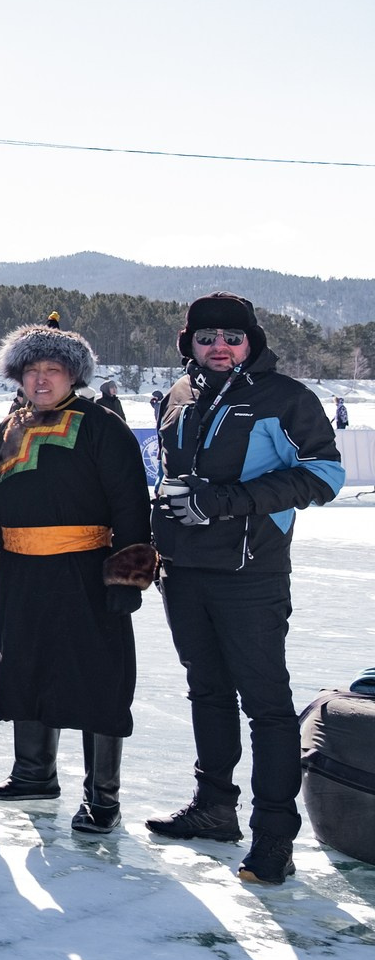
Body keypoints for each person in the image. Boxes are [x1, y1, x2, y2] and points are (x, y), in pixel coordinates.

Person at [146, 292, 343, 885]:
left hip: (249, 571)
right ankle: (214, 808)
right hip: (184, 570)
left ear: (250, 341)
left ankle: (274, 836)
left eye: (231, 337)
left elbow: (325, 473)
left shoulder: (285, 398)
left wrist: (225, 503)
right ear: (191, 344)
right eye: (206, 338)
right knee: (206, 691)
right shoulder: (181, 395)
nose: (219, 348)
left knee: (265, 704)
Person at [0, 317, 155, 833]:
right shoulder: (11, 425)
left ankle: (103, 799)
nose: (40, 381)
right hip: (23, 573)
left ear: (74, 376)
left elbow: (131, 504)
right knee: (24, 668)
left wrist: (126, 578)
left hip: (85, 572)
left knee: (96, 681)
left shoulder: (101, 425)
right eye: (31, 371)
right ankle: (33, 774)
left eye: (53, 370)